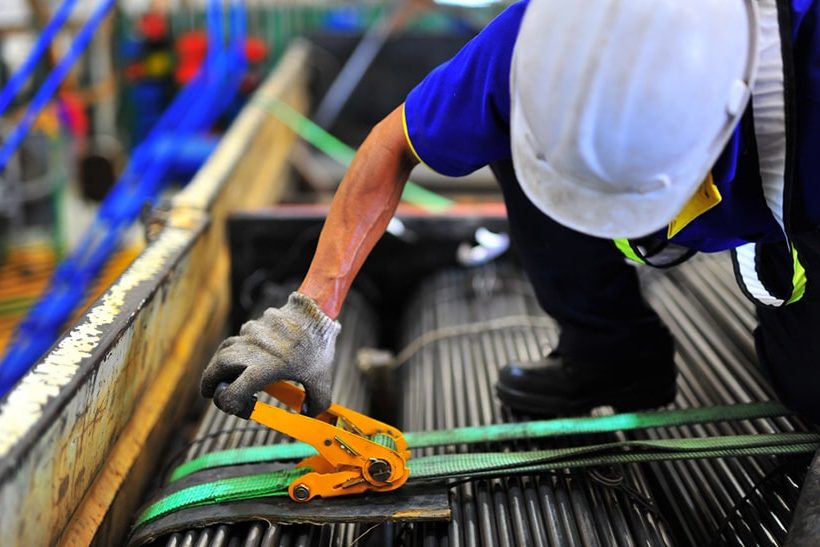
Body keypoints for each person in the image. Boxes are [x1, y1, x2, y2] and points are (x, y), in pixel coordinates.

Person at [201, 0, 820, 422]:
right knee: (508, 137)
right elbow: (391, 146)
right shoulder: (545, 39)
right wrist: (308, 317)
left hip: (797, 202)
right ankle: (610, 356)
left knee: (804, 387)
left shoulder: (806, 63)